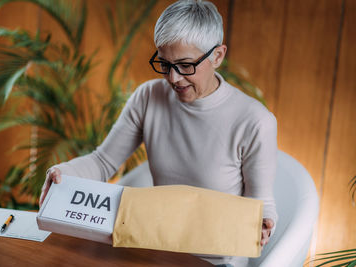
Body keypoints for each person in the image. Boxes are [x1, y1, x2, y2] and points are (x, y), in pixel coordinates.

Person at [40, 0, 277, 266]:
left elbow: (262, 202)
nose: (173, 78)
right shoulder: (149, 97)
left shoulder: (255, 121)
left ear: (218, 56)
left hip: (216, 260)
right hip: (156, 248)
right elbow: (102, 162)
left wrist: (264, 224)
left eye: (186, 65)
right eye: (164, 64)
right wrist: (64, 173)